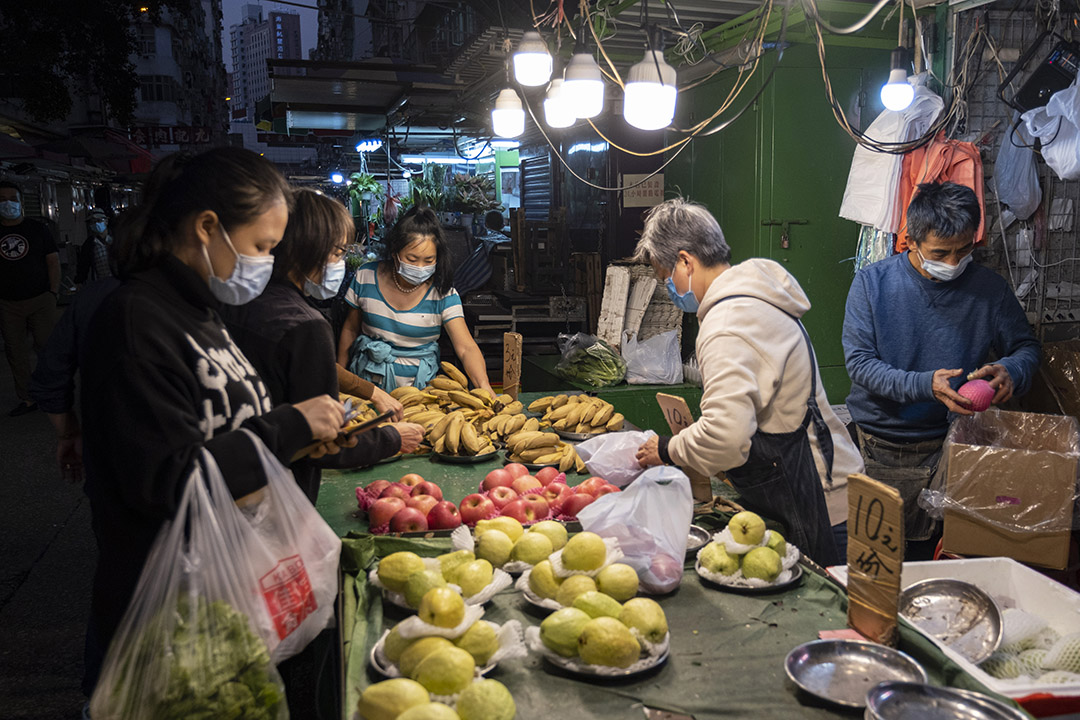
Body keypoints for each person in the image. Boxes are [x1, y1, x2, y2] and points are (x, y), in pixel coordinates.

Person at [77, 148, 345, 698]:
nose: (266, 262)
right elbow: (166, 480)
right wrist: (289, 427)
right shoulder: (136, 322)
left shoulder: (202, 312)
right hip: (165, 613)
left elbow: (226, 427)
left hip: (224, 591)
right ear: (207, 227)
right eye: (261, 246)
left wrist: (294, 441)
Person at [633, 198, 863, 566]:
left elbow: (725, 437)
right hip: (834, 487)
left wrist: (668, 448)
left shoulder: (728, 323)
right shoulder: (754, 298)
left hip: (820, 502)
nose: (670, 289)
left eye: (667, 276)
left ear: (685, 261)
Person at [843, 181, 1040, 556]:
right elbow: (861, 365)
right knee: (887, 556)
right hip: (887, 445)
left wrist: (1010, 370)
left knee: (949, 553)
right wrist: (924, 386)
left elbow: (1026, 347)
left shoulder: (989, 289)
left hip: (960, 440)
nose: (953, 263)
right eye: (940, 252)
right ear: (912, 241)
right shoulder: (873, 285)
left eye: (963, 250)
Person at [222, 188, 425, 502]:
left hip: (233, 477)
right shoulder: (306, 325)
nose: (340, 262)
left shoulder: (238, 303)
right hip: (282, 493)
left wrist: (371, 392)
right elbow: (324, 443)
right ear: (311, 247)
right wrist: (390, 438)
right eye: (339, 252)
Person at [337, 205, 493, 392]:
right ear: (395, 253)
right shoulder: (365, 276)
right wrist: (340, 379)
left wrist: (484, 386)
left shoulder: (444, 293)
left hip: (421, 394)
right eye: (412, 259)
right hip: (368, 387)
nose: (420, 267)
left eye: (429, 261)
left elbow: (466, 347)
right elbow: (350, 329)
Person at [0, 180, 59, 416]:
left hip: (40, 299)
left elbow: (53, 262)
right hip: (7, 302)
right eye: (2, 200)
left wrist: (53, 293)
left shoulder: (37, 228)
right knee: (16, 351)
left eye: (12, 199)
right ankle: (27, 398)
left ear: (21, 203)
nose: (8, 204)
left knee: (47, 347)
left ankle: (52, 393)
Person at [75, 208, 115, 285]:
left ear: (106, 221)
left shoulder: (116, 238)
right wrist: (79, 281)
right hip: (102, 285)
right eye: (93, 222)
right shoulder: (89, 244)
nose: (96, 224)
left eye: (99, 221)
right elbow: (83, 266)